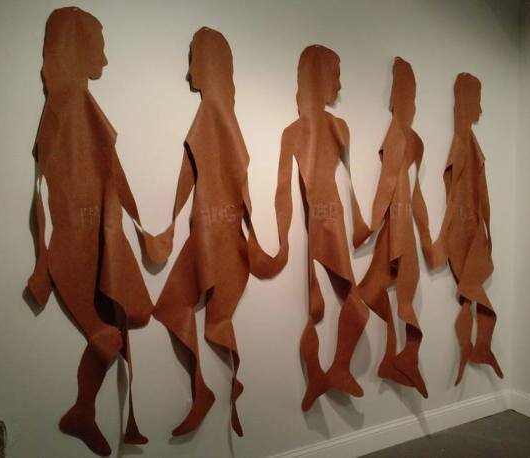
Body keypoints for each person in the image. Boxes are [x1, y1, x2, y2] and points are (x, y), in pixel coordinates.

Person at [28, 7, 153, 455]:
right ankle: (81, 412)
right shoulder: (61, 109)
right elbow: (41, 188)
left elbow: (113, 174)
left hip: (99, 238)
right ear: (77, 50)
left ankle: (82, 412)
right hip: (75, 245)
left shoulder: (83, 104)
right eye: (99, 48)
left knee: (132, 318)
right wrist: (41, 260)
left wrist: (139, 226)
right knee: (110, 334)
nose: (105, 59)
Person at [152, 27, 273, 437]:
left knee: (187, 312)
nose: (189, 75)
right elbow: (215, 173)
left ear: (209, 65)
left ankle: (211, 390)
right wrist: (172, 225)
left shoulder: (213, 112)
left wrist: (172, 225)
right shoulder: (221, 113)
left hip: (215, 234)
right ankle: (211, 391)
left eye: (193, 63)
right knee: (195, 314)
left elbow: (220, 175)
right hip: (218, 232)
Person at [255, 45, 370, 411]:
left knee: (344, 307)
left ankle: (335, 369)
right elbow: (283, 193)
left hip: (331, 219)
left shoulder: (337, 127)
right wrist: (283, 244)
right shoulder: (295, 132)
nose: (340, 85)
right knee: (322, 308)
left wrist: (359, 223)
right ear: (319, 79)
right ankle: (324, 373)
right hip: (322, 223)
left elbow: (349, 181)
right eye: (336, 77)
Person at [431, 73, 503, 385]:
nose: (481, 110)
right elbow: (452, 193)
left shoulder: (469, 141)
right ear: (466, 102)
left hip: (473, 231)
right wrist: (443, 237)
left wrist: (487, 231)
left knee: (471, 297)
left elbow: (481, 192)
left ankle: (475, 352)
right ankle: (473, 352)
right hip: (463, 232)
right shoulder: (461, 143)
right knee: (473, 296)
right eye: (478, 102)